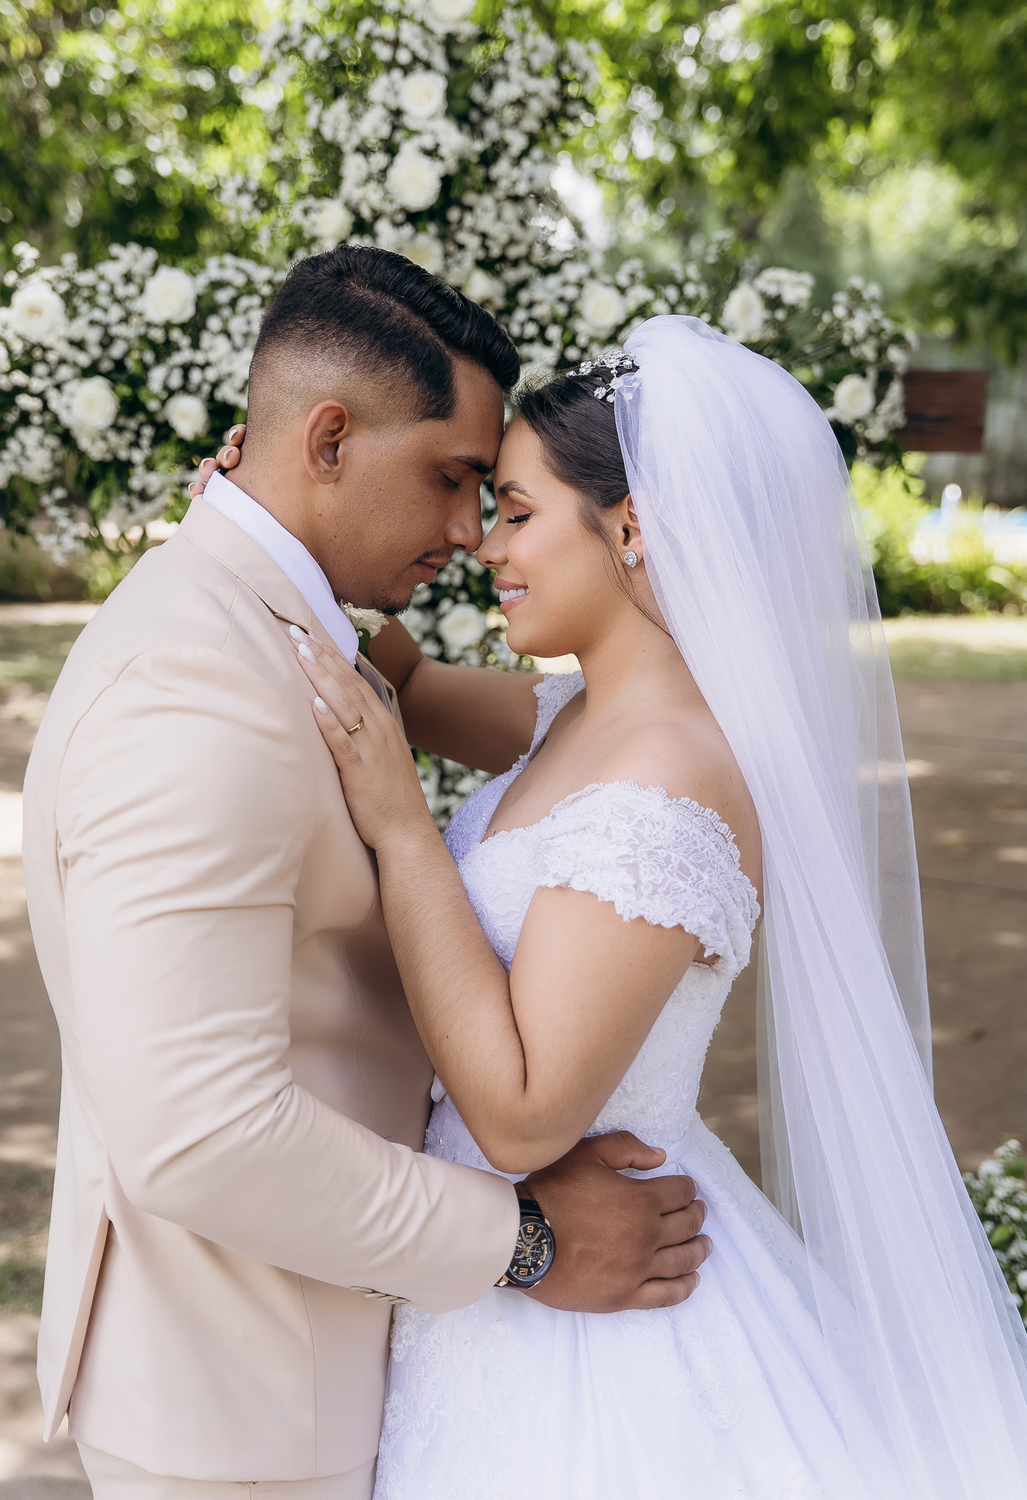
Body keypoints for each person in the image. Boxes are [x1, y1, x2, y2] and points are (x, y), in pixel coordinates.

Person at [282, 315, 1027, 1498]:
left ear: (630, 527)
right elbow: (402, 682)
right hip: (498, 1279)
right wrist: (283, 514)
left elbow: (524, 1115)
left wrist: (403, 826)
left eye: (517, 512)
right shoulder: (574, 715)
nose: (486, 545)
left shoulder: (669, 787)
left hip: (597, 1319)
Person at [21, 250, 711, 1500]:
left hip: (352, 1354)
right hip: (246, 1399)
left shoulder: (284, 632)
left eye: (502, 501)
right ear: (328, 439)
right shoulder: (194, 686)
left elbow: (444, 694)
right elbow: (201, 1133)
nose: (470, 533)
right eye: (455, 480)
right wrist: (525, 1239)